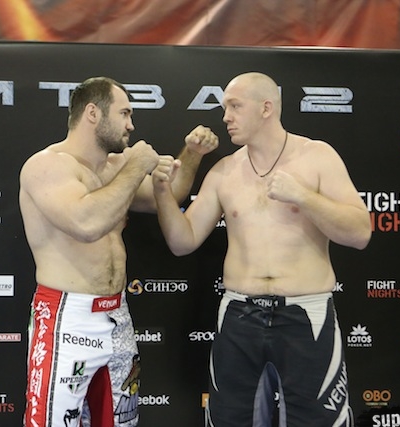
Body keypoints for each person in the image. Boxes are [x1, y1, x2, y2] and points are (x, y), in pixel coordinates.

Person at [153, 72, 371, 426]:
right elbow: (183, 241)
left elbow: (360, 233)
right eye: (225, 108)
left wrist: (303, 196)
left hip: (306, 315)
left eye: (235, 106)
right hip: (240, 315)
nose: (226, 117)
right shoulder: (224, 171)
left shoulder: (317, 157)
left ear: (266, 108)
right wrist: (163, 193)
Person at [19, 76, 218, 427]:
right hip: (67, 316)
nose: (131, 125)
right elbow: (86, 223)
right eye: (124, 113)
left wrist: (192, 155)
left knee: (120, 422)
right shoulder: (47, 165)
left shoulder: (114, 168)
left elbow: (169, 196)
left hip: (117, 314)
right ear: (92, 113)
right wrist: (136, 166)